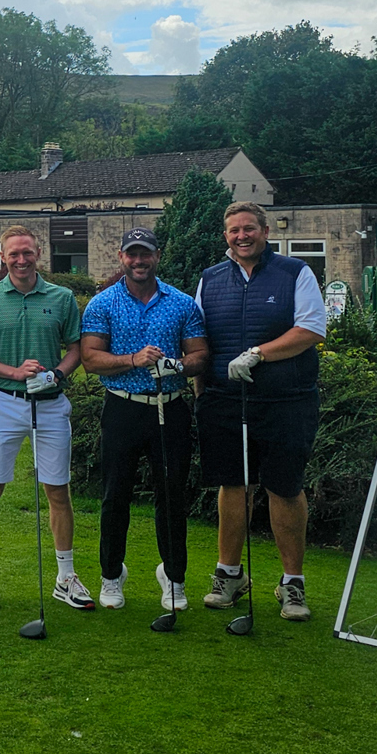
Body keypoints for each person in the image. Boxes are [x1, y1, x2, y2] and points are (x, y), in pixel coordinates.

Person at [194, 202, 326, 621]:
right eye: (234, 230)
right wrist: (200, 391)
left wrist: (258, 353)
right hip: (225, 399)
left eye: (249, 228)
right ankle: (229, 575)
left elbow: (310, 329)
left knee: (284, 487)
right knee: (232, 484)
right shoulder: (210, 278)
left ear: (266, 232)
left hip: (286, 400)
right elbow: (199, 339)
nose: (242, 236)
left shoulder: (295, 272)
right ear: (225, 236)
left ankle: (292, 584)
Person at [79, 229, 209, 610]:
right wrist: (133, 359)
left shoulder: (182, 303)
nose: (139, 261)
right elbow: (90, 358)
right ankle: (111, 574)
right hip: (123, 407)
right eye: (132, 254)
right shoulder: (103, 303)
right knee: (115, 494)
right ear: (122, 257)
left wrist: (178, 365)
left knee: (171, 496)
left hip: (170, 406)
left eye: (146, 254)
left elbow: (200, 355)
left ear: (157, 256)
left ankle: (174, 577)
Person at [0, 224, 91, 609]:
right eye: (14, 254)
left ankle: (65, 576)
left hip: (50, 403)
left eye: (27, 252)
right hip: (4, 402)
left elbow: (76, 349)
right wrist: (14, 372)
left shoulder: (62, 297)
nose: (21, 260)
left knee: (58, 490)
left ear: (39, 254)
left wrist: (57, 374)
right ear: (2, 257)